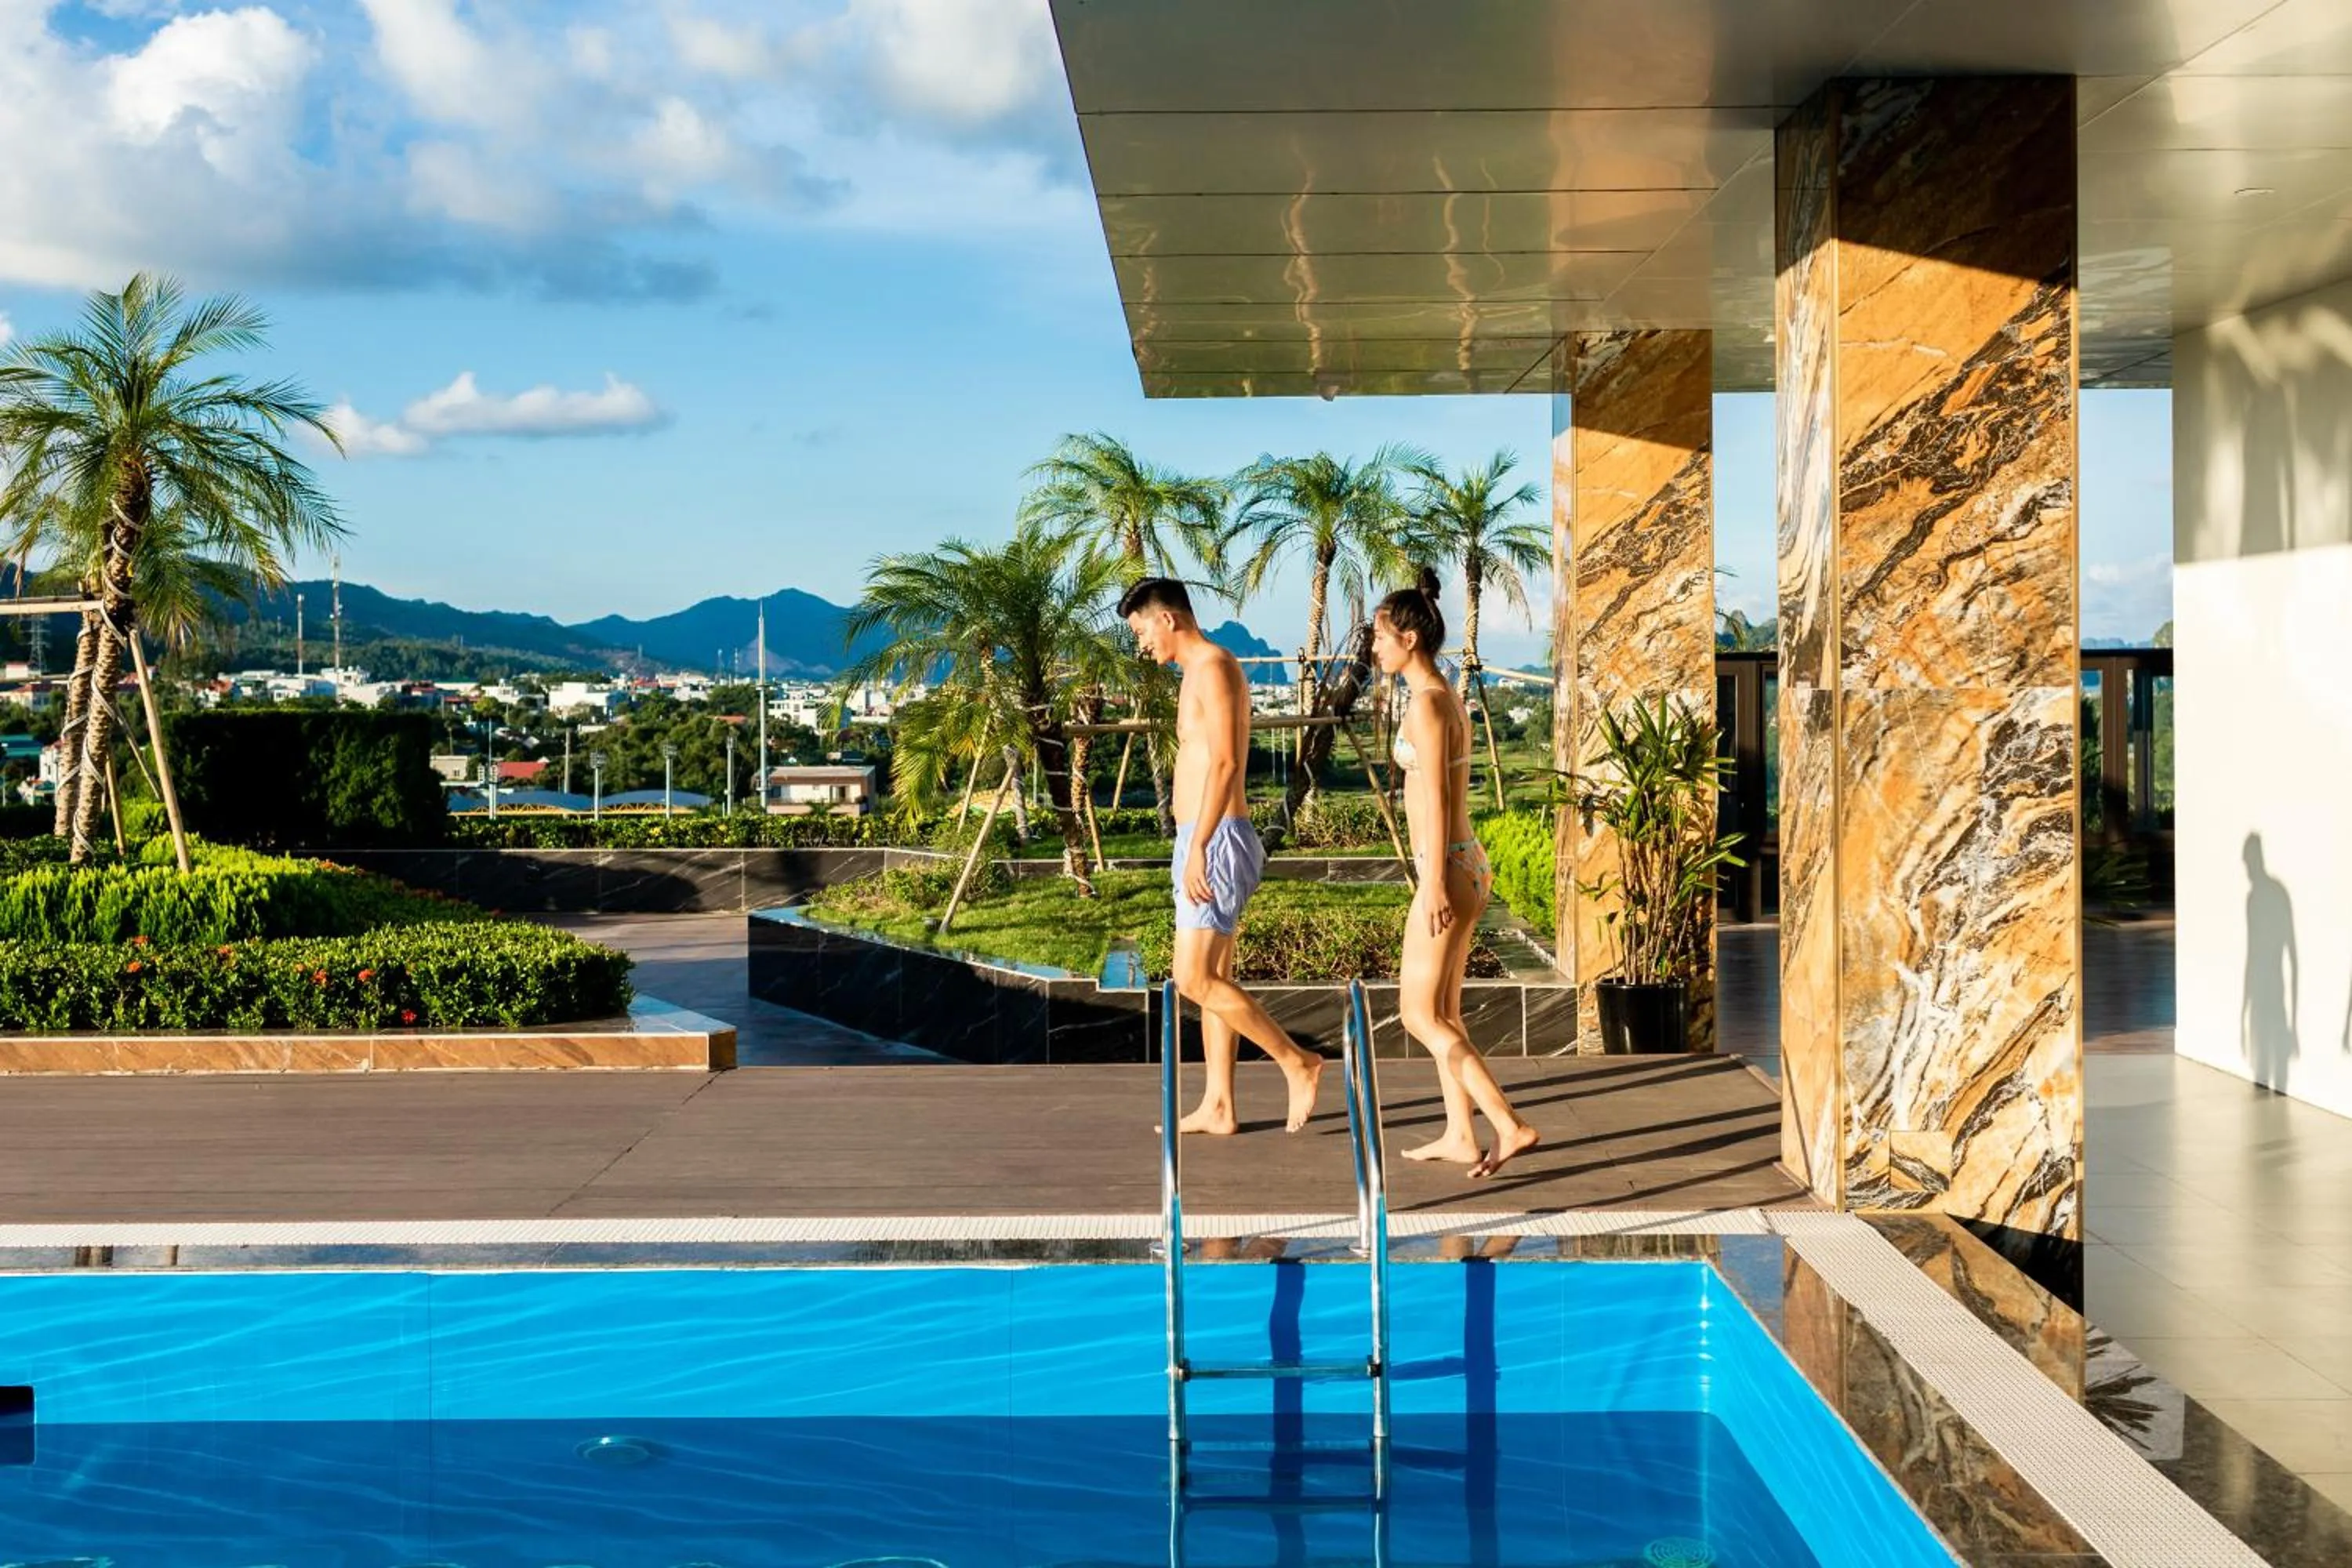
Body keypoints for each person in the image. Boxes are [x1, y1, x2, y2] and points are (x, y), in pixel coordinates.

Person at [1121, 577, 1324, 1134]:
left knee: (1193, 978)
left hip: (1216, 838)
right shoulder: (1195, 673)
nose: (1141, 645)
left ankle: (1296, 1061)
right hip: (1200, 837)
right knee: (1215, 975)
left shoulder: (1213, 667)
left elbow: (1228, 765)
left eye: (1141, 631)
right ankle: (1218, 1104)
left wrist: (1202, 846)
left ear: (1167, 619)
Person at [1373, 570, 1539, 1178]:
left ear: (1410, 638)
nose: (1374, 648)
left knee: (1418, 1015)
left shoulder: (1428, 706)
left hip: (1448, 868)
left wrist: (1435, 883)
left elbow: (1439, 798)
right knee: (1445, 1011)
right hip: (1460, 862)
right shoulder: (1442, 697)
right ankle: (1460, 1134)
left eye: (1381, 636)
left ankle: (1508, 1124)